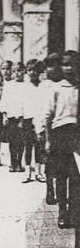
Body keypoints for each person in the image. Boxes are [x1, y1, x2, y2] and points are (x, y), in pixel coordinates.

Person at [43, 50, 80, 229]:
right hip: (59, 134)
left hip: (76, 135)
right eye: (65, 64)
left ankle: (74, 212)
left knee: (76, 176)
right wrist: (48, 140)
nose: (69, 68)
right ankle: (62, 213)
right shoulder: (57, 88)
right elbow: (48, 116)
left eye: (72, 64)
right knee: (61, 175)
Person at [38, 53, 62, 204]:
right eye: (49, 66)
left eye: (55, 66)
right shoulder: (44, 85)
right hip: (46, 128)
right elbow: (39, 108)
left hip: (61, 127)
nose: (52, 69)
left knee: (62, 164)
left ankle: (61, 193)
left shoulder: (64, 83)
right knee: (49, 162)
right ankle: (49, 191)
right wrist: (39, 129)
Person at [21, 59, 44, 183]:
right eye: (30, 70)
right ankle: (28, 172)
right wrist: (21, 117)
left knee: (39, 146)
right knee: (28, 146)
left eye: (35, 70)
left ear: (39, 71)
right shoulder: (25, 86)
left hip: (39, 119)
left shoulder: (43, 86)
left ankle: (38, 172)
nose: (32, 72)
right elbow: (21, 103)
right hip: (27, 119)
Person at [2, 61, 25, 173]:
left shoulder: (26, 85)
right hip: (11, 116)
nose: (17, 73)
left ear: (23, 71)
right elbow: (5, 101)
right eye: (14, 71)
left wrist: (23, 117)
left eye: (19, 71)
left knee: (21, 141)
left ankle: (19, 163)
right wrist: (5, 116)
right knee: (12, 141)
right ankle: (12, 162)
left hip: (23, 117)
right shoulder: (9, 85)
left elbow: (27, 102)